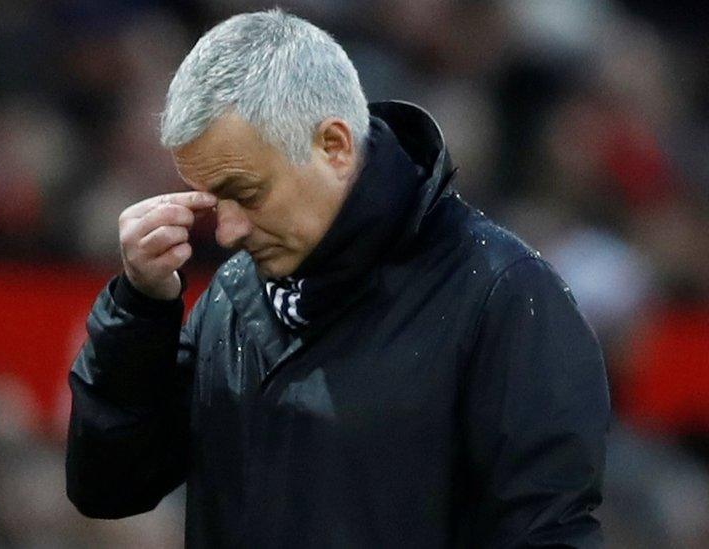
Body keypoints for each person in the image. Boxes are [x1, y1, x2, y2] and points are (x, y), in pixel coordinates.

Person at [66, 9, 610, 548]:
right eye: (213, 202)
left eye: (247, 194)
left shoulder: (502, 294)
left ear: (334, 145)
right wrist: (139, 310)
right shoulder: (233, 298)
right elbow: (110, 487)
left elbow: (546, 533)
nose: (226, 232)